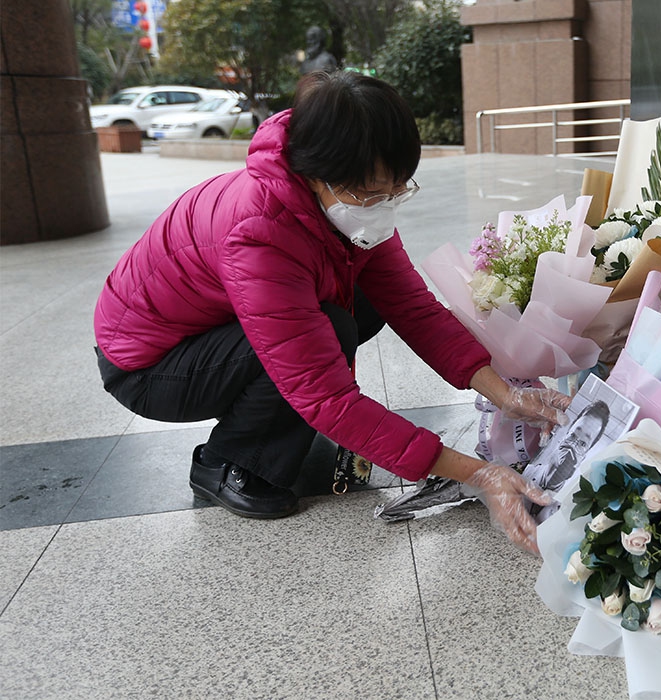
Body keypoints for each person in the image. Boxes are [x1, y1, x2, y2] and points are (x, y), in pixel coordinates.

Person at [93, 71, 569, 554]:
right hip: (152, 368)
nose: (384, 205)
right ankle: (227, 461)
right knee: (332, 329)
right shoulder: (257, 231)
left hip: (216, 327)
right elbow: (324, 395)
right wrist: (479, 474)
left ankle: (272, 424)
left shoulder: (347, 207)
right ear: (317, 174)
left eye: (397, 189)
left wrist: (506, 395)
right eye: (371, 193)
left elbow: (413, 308)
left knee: (365, 305)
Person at [533, 400, 611, 494]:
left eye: (582, 443)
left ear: (583, 458)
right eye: (573, 436)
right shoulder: (528, 472)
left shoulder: (567, 499)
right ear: (563, 437)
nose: (572, 447)